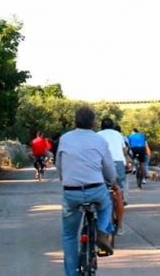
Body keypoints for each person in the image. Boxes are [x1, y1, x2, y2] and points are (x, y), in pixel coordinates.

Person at [56, 106, 118, 276]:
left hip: (72, 192)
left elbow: (59, 165)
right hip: (96, 189)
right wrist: (112, 181)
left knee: (69, 235)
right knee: (106, 204)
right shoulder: (99, 140)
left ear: (75, 120)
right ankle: (102, 231)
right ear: (93, 123)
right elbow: (109, 169)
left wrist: (65, 179)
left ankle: (71, 274)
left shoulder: (65, 138)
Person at [97, 118, 131, 234]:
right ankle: (120, 227)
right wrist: (126, 162)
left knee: (101, 191)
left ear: (101, 126)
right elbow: (124, 151)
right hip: (118, 163)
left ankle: (101, 223)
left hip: (102, 164)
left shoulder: (97, 135)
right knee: (119, 194)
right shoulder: (118, 134)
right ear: (112, 126)